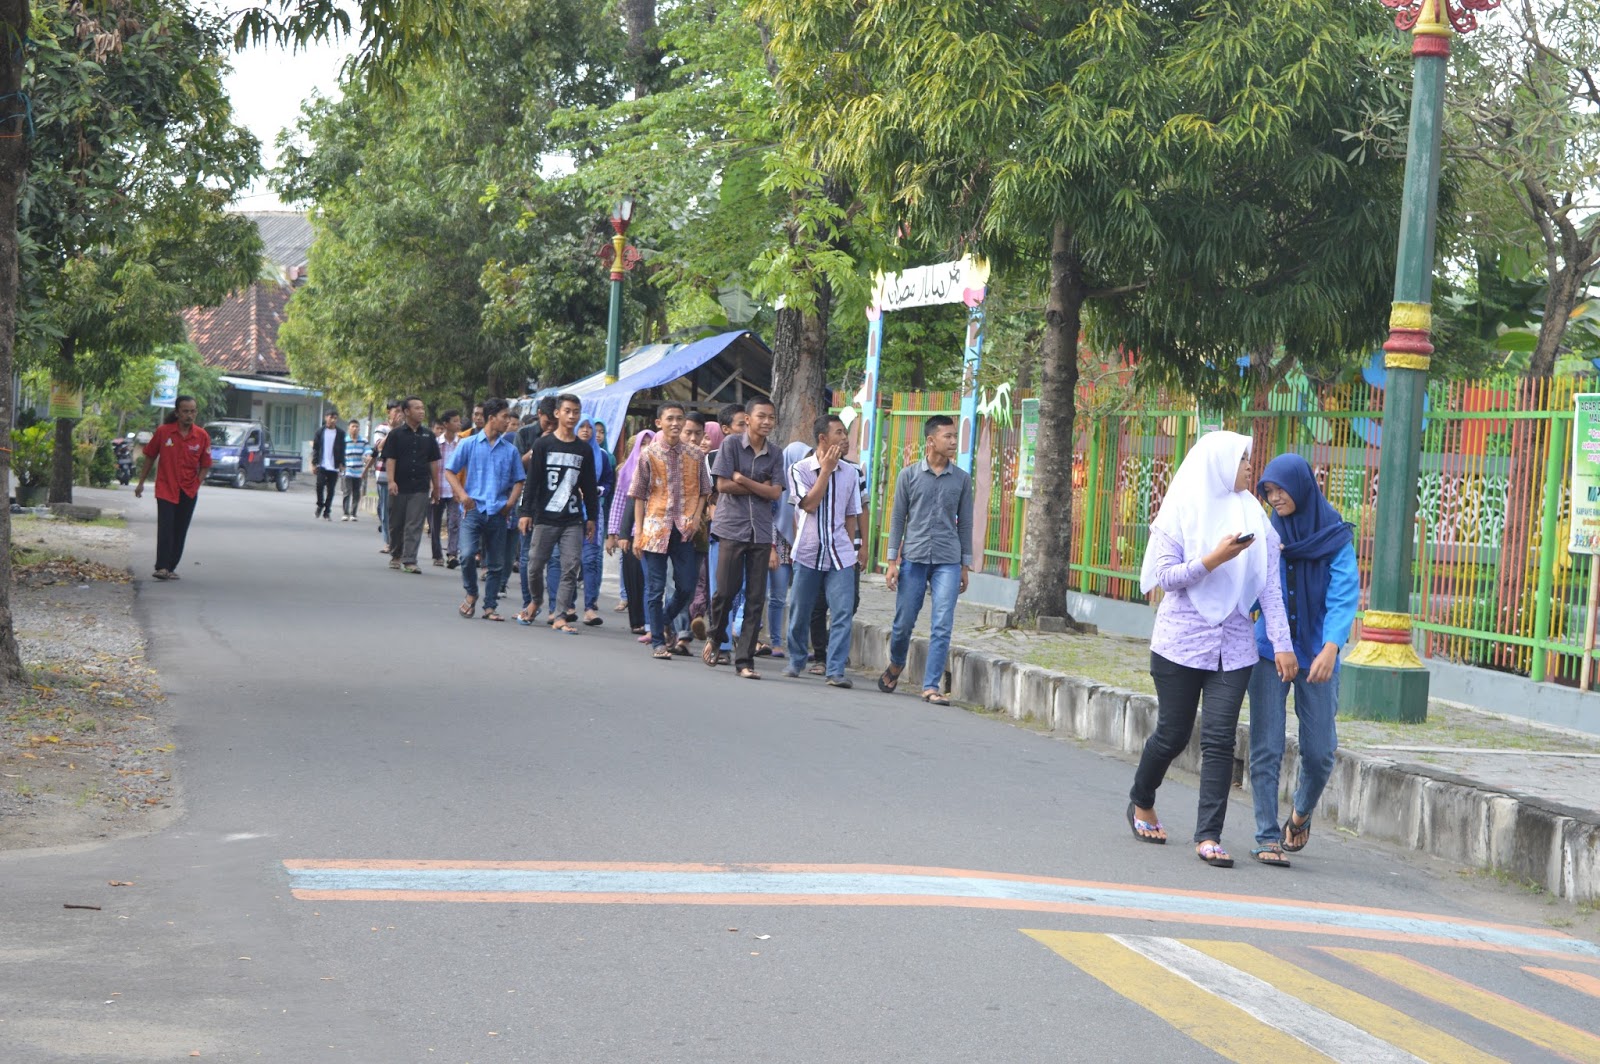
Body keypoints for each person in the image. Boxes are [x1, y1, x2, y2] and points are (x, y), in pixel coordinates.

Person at [1127, 431, 1298, 870]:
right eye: (1242, 460)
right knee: (1173, 734)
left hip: (1235, 647)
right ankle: (1141, 800)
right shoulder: (1182, 510)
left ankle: (1208, 835)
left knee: (1221, 740)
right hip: (1180, 644)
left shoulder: (1257, 520)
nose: (1249, 469)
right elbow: (1164, 578)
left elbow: (1271, 590)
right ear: (1219, 463)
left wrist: (1282, 645)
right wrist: (1213, 559)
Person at [1247, 453, 1358, 867]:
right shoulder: (1265, 531)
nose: (1274, 497)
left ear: (1302, 486)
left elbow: (1344, 592)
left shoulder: (1333, 533)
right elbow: (1259, 586)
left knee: (1320, 750)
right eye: (1268, 491)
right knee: (1266, 745)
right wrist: (1278, 642)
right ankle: (1264, 834)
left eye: (1280, 489)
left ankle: (1299, 814)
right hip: (1270, 650)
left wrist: (1331, 645)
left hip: (1317, 654)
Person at [878, 415, 974, 704]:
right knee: (903, 622)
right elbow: (897, 519)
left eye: (955, 436)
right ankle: (896, 662)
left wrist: (964, 566)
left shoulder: (962, 479)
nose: (954, 441)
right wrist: (892, 561)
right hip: (914, 557)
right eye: (948, 436)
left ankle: (931, 686)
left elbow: (965, 524)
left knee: (942, 622)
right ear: (931, 440)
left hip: (948, 559)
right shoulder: (908, 475)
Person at [702, 397, 782, 678]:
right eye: (761, 416)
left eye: (771, 417)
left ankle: (744, 661)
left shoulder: (775, 453)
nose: (767, 422)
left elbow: (775, 493)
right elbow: (722, 484)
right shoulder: (731, 445)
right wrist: (760, 486)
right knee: (725, 590)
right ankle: (715, 636)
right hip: (731, 528)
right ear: (748, 419)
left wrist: (744, 481)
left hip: (760, 531)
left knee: (755, 597)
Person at [783, 415, 862, 687]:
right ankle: (796, 660)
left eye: (845, 432)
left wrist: (852, 551)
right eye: (839, 433)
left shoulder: (853, 472)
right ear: (822, 439)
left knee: (842, 611)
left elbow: (852, 514)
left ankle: (835, 669)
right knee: (800, 610)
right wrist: (826, 470)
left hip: (840, 553)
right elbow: (809, 505)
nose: (845, 438)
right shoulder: (799, 469)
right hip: (807, 549)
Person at [630, 402, 711, 661]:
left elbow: (704, 491)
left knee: (686, 586)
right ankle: (658, 642)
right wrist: (637, 532)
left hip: (684, 529)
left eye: (679, 419)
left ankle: (663, 620)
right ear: (659, 423)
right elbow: (639, 496)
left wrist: (697, 516)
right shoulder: (648, 455)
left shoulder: (696, 456)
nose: (675, 423)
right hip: (655, 529)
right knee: (654, 587)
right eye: (670, 419)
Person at [518, 394, 599, 633]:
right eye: (568, 411)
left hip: (573, 519)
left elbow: (589, 486)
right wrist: (525, 512)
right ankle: (536, 600)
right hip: (544, 517)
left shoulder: (583, 449)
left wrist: (591, 517)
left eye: (576, 411)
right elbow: (532, 481)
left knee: (571, 565)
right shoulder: (543, 445)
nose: (572, 416)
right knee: (534, 565)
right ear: (557, 413)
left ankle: (561, 614)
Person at [444, 397, 524, 622]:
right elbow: (450, 471)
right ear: (492, 418)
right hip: (473, 510)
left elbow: (519, 480)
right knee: (467, 555)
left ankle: (490, 607)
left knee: (496, 563)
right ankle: (471, 593)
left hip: (498, 512)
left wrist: (510, 504)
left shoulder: (510, 451)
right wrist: (462, 495)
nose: (508, 422)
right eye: (504, 417)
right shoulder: (468, 444)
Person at [134, 395, 211, 581]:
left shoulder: (201, 436)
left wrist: (197, 484)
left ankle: (171, 566)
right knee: (166, 527)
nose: (189, 415)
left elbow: (206, 464)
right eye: (185, 411)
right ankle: (161, 567)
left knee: (180, 529)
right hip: (166, 488)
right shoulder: (164, 432)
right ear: (177, 413)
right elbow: (150, 456)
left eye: (193, 411)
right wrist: (141, 482)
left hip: (188, 490)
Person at [381, 396, 442, 573]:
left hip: (420, 487)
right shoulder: (395, 434)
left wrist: (436, 487)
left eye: (422, 408)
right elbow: (390, 459)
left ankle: (409, 560)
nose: (421, 411)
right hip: (398, 486)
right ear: (406, 412)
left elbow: (433, 463)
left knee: (414, 524)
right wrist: (391, 481)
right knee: (396, 523)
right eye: (417, 408)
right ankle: (396, 554)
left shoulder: (429, 435)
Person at [607, 429, 655, 636]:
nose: (646, 446)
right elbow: (619, 503)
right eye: (642, 443)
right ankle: (637, 620)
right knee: (633, 578)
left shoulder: (660, 466)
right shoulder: (625, 470)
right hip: (631, 531)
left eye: (649, 442)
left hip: (654, 531)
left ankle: (649, 620)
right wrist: (615, 534)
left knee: (650, 579)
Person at [769, 439, 810, 661]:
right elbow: (770, 517)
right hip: (775, 546)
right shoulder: (776, 484)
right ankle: (773, 641)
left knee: (793, 598)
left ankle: (790, 643)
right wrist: (771, 549)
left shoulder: (804, 482)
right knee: (774, 597)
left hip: (799, 547)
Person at [576, 418, 613, 625]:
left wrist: (597, 490)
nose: (587, 431)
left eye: (590, 428)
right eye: (582, 426)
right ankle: (566, 605)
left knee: (590, 559)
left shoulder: (602, 455)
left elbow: (608, 482)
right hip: (568, 513)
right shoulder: (567, 450)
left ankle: (590, 607)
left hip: (592, 512)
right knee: (570, 561)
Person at [367, 401, 401, 549]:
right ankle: (389, 542)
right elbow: (379, 446)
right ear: (389, 412)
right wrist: (393, 430)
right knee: (386, 510)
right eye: (396, 411)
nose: (399, 414)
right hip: (384, 475)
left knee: (399, 512)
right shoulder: (381, 428)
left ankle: (398, 541)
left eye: (401, 411)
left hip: (402, 475)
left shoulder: (407, 429)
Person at [432, 409, 464, 568]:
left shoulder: (462, 443)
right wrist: (432, 486)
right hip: (437, 487)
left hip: (454, 489)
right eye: (455, 421)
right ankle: (437, 555)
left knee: (454, 522)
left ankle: (452, 554)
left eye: (459, 421)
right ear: (446, 424)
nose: (459, 424)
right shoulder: (435, 443)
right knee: (435, 524)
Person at [310, 412, 345, 521]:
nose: (333, 420)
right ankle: (320, 505)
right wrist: (313, 463)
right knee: (319, 485)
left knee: (331, 490)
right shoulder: (320, 432)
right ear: (326, 418)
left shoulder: (340, 433)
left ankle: (327, 511)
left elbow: (343, 449)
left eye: (335, 418)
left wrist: (342, 464)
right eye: (331, 418)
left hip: (334, 466)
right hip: (322, 464)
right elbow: (316, 448)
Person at [340, 419, 366, 521]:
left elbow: (367, 451)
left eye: (357, 427)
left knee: (356, 492)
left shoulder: (363, 441)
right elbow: (340, 453)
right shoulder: (344, 441)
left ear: (359, 428)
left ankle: (353, 513)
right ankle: (345, 513)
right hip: (347, 470)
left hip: (359, 471)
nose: (355, 429)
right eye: (353, 426)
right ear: (349, 428)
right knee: (347, 491)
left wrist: (368, 456)